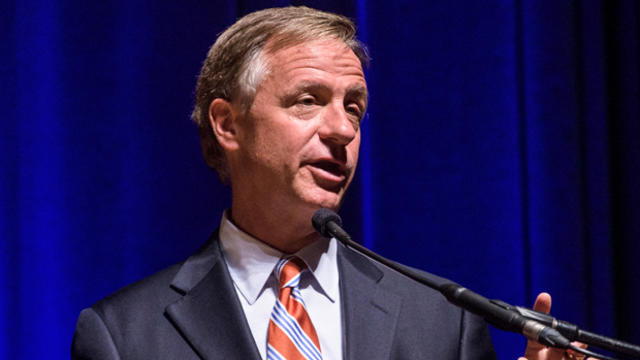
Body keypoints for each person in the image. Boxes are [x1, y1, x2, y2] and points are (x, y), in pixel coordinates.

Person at [72, 6, 584, 360]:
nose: (343, 129)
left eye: (354, 108)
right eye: (308, 100)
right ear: (227, 124)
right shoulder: (124, 336)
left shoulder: (443, 323)